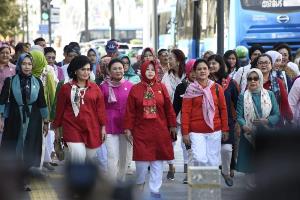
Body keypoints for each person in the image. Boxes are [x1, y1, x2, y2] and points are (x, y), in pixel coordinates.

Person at [124, 60, 176, 198]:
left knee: (157, 163)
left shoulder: (161, 87)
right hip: (141, 131)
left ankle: (154, 191)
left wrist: (172, 125)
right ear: (142, 71)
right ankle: (140, 183)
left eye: (153, 69)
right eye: (148, 69)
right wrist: (128, 128)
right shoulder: (135, 89)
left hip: (160, 130)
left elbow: (169, 109)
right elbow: (130, 111)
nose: (150, 72)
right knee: (141, 162)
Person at [0, 53, 49, 191]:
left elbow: (42, 102)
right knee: (14, 146)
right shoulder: (10, 81)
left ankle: (25, 179)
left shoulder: (37, 81)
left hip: (33, 119)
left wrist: (46, 121)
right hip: (14, 119)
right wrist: (1, 118)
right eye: (24, 64)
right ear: (19, 65)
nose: (27, 67)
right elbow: (2, 100)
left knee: (30, 147)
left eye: (29, 64)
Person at [52, 55, 106, 163]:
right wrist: (57, 130)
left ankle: (82, 178)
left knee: (88, 159)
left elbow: (101, 110)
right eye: (83, 69)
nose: (86, 72)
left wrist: (103, 127)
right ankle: (77, 178)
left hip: (92, 128)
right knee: (78, 158)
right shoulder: (66, 88)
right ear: (75, 71)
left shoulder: (95, 88)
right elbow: (59, 111)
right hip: (72, 128)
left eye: (88, 69)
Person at [236, 68, 280, 190]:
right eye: (250, 79)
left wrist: (267, 121)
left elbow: (276, 114)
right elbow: (239, 115)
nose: (253, 81)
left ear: (260, 79)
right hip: (248, 133)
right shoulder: (242, 96)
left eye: (256, 78)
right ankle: (250, 183)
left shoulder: (269, 94)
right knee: (249, 158)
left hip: (265, 132)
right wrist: (244, 125)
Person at [181, 59, 229, 170]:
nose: (202, 71)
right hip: (196, 131)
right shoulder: (191, 89)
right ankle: (200, 184)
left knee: (213, 161)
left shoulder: (217, 88)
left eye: (204, 68)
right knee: (199, 158)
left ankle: (209, 187)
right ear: (194, 72)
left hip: (214, 130)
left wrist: (225, 129)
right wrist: (185, 132)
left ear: (208, 71)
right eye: (199, 69)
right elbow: (186, 112)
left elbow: (223, 109)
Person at [208, 54, 240, 186]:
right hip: (207, 123)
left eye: (214, 63)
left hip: (227, 122)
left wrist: (239, 121)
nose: (211, 66)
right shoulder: (202, 82)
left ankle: (225, 172)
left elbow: (238, 102)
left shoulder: (230, 83)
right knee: (209, 154)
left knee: (227, 149)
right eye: (209, 63)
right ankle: (209, 180)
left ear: (221, 65)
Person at [100, 58, 133, 182]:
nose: (118, 70)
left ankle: (121, 181)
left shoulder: (130, 86)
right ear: (109, 71)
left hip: (126, 126)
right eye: (114, 68)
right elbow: (99, 108)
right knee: (112, 156)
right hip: (109, 126)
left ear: (124, 69)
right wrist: (101, 126)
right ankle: (112, 185)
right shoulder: (103, 87)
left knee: (124, 157)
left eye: (120, 68)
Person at [161, 48, 186, 180]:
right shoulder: (166, 76)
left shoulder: (187, 75)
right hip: (171, 112)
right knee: (170, 141)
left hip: (187, 112)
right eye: (167, 58)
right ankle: (171, 166)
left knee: (186, 142)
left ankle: (188, 170)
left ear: (179, 60)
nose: (168, 60)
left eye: (171, 58)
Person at [173, 59, 196, 184]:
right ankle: (188, 174)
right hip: (185, 123)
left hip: (202, 123)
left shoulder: (206, 85)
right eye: (190, 71)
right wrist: (171, 124)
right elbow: (175, 107)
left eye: (195, 70)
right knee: (186, 148)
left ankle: (198, 173)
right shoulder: (181, 86)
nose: (193, 74)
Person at [255, 54, 293, 127]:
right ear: (257, 66)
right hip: (255, 123)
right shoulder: (252, 81)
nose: (263, 65)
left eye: (266, 62)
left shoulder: (278, 82)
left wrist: (290, 118)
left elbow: (284, 103)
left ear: (271, 65)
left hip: (275, 124)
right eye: (261, 63)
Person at [0, 43, 16, 145]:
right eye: (2, 53)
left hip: (8, 102)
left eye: (7, 53)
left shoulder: (14, 68)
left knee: (5, 127)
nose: (5, 55)